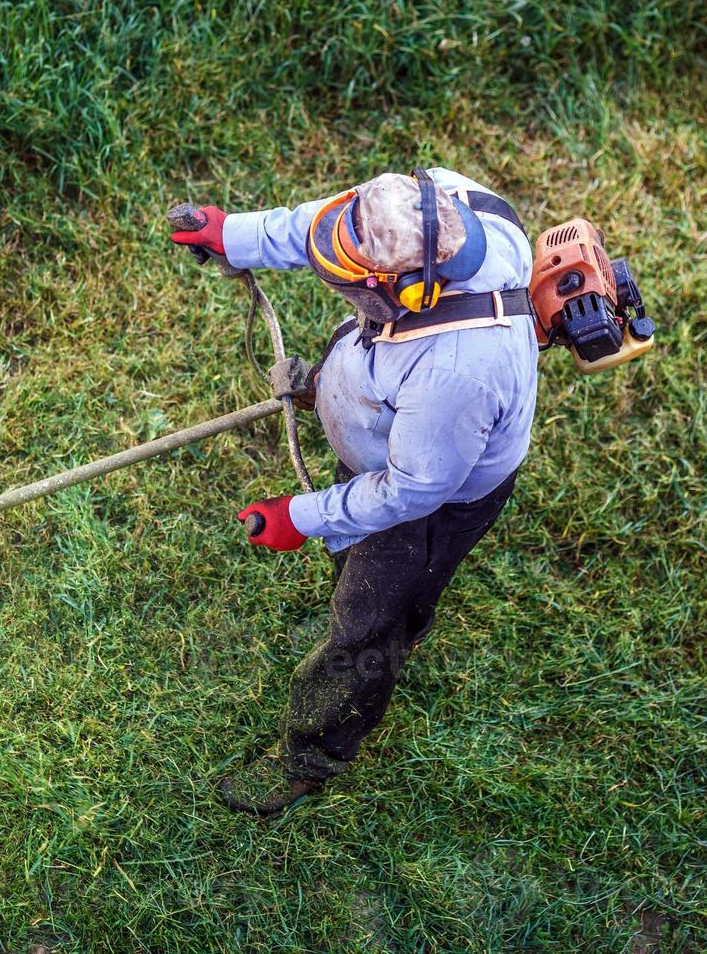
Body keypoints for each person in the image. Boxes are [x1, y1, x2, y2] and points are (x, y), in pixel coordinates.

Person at [172, 168, 538, 816]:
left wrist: (302, 515)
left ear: (401, 291)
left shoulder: (460, 372)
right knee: (362, 577)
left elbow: (411, 490)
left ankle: (311, 755)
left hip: (427, 507)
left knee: (368, 624)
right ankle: (382, 598)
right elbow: (327, 222)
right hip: (405, 432)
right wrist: (239, 236)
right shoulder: (432, 205)